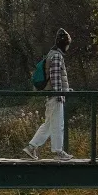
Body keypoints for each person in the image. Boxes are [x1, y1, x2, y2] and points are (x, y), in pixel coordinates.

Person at [24, 28, 73, 160]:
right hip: (55, 96)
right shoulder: (57, 56)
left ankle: (31, 147)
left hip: (53, 95)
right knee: (58, 125)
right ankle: (58, 152)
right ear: (64, 43)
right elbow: (56, 77)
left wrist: (66, 90)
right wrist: (60, 94)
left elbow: (55, 78)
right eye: (68, 43)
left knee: (49, 125)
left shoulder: (52, 54)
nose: (68, 46)